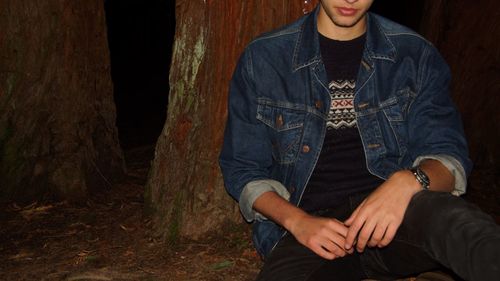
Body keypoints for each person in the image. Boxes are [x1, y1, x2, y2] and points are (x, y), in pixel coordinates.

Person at [219, 0, 500, 280]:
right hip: (312, 229)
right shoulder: (265, 58)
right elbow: (243, 169)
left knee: (467, 230)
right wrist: (298, 222)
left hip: (398, 216)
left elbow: (448, 157)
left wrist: (408, 182)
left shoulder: (414, 54)